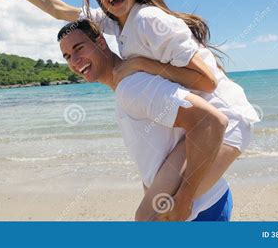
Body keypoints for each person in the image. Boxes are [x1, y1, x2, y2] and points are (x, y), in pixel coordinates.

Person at [0, 0, 259, 215]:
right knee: (156, 211)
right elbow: (57, 9)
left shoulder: (149, 20)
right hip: (199, 120)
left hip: (226, 118)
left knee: (164, 214)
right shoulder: (115, 23)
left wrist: (142, 64)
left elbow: (208, 82)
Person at [58, 19, 231, 221]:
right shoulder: (125, 89)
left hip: (200, 210)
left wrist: (185, 198)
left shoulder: (132, 86)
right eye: (68, 57)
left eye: (79, 48)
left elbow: (210, 121)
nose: (75, 60)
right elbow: (154, 158)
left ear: (101, 42)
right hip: (198, 207)